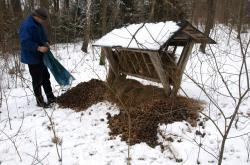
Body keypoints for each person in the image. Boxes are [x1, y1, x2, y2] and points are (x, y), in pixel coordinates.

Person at [19, 8, 56, 108]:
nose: (43, 21)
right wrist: (38, 48)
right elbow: (24, 42)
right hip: (32, 57)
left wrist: (47, 42)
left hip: (41, 56)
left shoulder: (38, 24)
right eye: (42, 19)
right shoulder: (27, 26)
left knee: (45, 76)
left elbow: (42, 36)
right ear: (36, 16)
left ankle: (51, 97)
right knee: (37, 79)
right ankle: (40, 101)